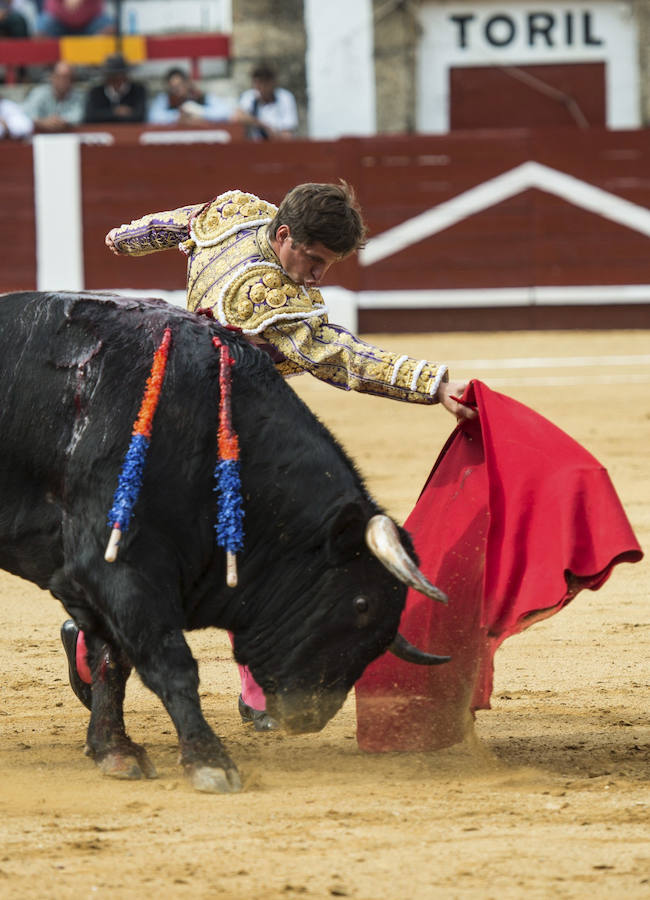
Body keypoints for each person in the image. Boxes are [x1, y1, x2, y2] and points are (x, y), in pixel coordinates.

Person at [60, 181, 475, 730]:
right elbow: (339, 357)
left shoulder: (236, 213)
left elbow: (182, 221)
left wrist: (127, 239)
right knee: (243, 542)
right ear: (285, 235)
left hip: (179, 404)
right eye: (315, 259)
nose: (319, 275)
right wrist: (432, 383)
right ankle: (120, 648)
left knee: (197, 539)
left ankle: (97, 643)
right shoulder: (270, 300)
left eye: (330, 263)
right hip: (211, 422)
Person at [147, 66, 234, 126]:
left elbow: (226, 112)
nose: (178, 90)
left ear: (187, 83)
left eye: (180, 85)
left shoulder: (201, 96)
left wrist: (198, 111)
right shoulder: (164, 99)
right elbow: (154, 118)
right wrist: (177, 116)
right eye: (173, 87)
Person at [234, 62, 298, 140]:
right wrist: (262, 125)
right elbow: (236, 117)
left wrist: (273, 134)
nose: (259, 88)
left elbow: (288, 133)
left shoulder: (285, 97)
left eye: (263, 83)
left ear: (272, 83)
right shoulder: (250, 96)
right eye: (256, 83)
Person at [84, 53, 147, 124]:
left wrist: (106, 115)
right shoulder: (96, 92)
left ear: (125, 76)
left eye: (120, 76)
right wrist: (115, 112)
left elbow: (140, 116)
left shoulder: (137, 90)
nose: (117, 80)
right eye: (112, 76)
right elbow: (90, 117)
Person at [22, 61, 84, 132]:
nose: (62, 81)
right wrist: (43, 122)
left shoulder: (77, 97)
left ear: (72, 80)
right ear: (52, 77)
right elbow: (25, 115)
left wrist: (61, 122)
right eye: (59, 76)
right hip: (39, 138)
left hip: (67, 138)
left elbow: (78, 117)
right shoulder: (39, 93)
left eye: (66, 77)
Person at [36, 0, 114, 36]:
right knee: (42, 29)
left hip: (93, 20)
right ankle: (53, 64)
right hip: (57, 19)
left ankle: (92, 60)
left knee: (109, 29)